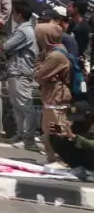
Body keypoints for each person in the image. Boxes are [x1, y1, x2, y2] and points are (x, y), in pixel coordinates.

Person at [3, 0, 40, 151]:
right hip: (17, 71)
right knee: (17, 106)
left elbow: (7, 46)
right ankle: (20, 135)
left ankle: (29, 140)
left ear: (19, 15)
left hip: (20, 72)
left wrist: (3, 46)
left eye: (13, 13)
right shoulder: (25, 29)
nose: (12, 16)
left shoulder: (23, 31)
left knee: (26, 107)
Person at [36, 20, 73, 166]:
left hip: (57, 97)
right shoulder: (53, 51)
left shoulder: (56, 56)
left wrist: (39, 67)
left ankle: (59, 159)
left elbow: (39, 76)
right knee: (50, 128)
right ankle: (52, 158)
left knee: (56, 128)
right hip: (53, 96)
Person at [48, 101, 94, 176]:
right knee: (61, 141)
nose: (76, 122)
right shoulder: (77, 127)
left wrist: (74, 137)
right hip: (84, 162)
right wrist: (55, 135)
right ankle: (79, 168)